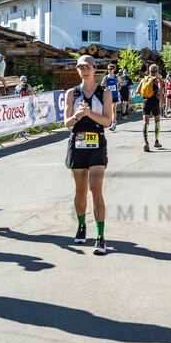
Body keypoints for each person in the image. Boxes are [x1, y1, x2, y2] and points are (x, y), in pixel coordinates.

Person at [63, 55, 112, 255]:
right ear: (78, 71)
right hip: (77, 142)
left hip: (96, 143)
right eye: (81, 68)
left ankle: (100, 236)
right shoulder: (71, 93)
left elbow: (108, 121)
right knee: (80, 190)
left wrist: (89, 113)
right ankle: (82, 227)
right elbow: (67, 123)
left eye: (88, 67)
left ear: (94, 68)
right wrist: (78, 115)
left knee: (95, 189)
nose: (85, 71)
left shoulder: (104, 92)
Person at [136, 65, 163, 152]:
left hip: (145, 101)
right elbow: (160, 89)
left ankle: (146, 142)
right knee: (157, 120)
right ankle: (156, 141)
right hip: (154, 101)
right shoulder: (156, 79)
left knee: (145, 123)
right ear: (156, 71)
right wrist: (161, 100)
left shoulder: (144, 79)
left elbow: (137, 91)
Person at [103, 64, 121, 131]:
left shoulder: (117, 77)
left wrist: (120, 85)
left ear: (113, 69)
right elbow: (102, 84)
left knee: (113, 109)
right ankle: (112, 121)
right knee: (108, 110)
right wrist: (103, 84)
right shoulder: (106, 77)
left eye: (111, 69)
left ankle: (113, 124)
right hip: (108, 96)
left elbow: (121, 82)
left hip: (115, 95)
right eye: (108, 69)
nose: (109, 70)